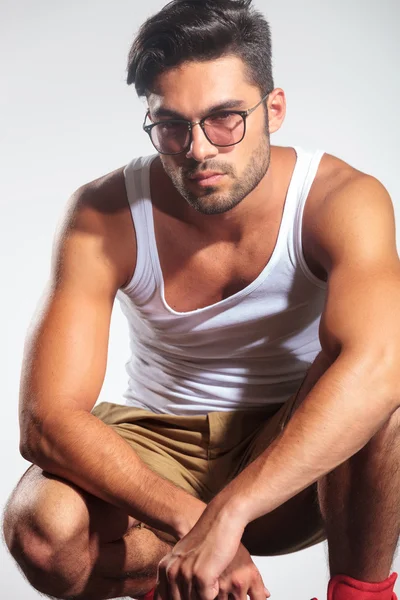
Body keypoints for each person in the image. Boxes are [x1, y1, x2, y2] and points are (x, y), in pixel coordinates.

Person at [3, 0, 399, 599]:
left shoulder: (342, 200)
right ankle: (181, 583)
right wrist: (195, 521)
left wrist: (231, 511)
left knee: (384, 398)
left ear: (274, 109)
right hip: (156, 446)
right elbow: (45, 419)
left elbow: (382, 366)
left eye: (224, 119)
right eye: (171, 125)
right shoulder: (104, 212)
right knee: (43, 531)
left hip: (296, 454)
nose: (198, 149)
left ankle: (361, 597)